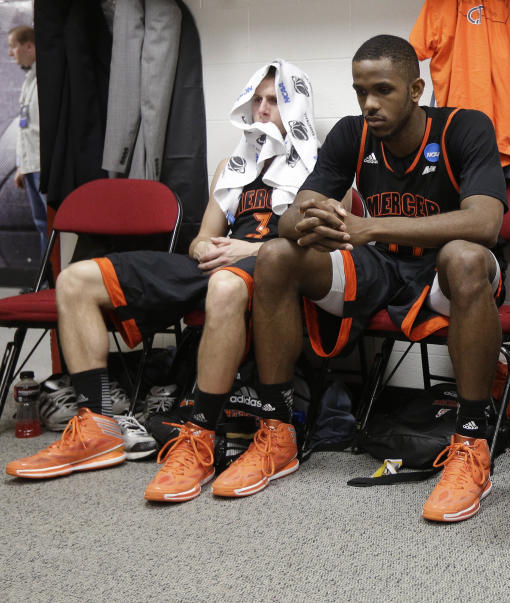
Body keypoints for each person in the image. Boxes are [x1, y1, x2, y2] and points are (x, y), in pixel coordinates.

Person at [6, 61, 321, 504]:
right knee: (76, 278)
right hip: (219, 262)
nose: (264, 109)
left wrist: (248, 251)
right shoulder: (231, 166)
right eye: (258, 99)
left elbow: (321, 245)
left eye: (276, 100)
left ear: (298, 107)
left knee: (227, 285)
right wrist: (204, 248)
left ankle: (200, 436)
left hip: (269, 270)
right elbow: (200, 238)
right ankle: (97, 426)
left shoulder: (319, 166)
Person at [251, 34, 507, 523]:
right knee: (277, 254)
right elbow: (290, 215)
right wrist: (310, 221)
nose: (369, 104)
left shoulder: (464, 127)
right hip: (381, 269)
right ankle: (277, 427)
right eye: (360, 91)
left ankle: (472, 442)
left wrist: (371, 226)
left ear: (415, 90)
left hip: (444, 279)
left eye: (383, 90)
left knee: (466, 256)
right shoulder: (352, 134)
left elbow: (485, 223)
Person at [7, 25, 47, 256]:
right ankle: (45, 283)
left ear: (29, 46)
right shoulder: (29, 80)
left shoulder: (45, 81)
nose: (11, 53)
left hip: (43, 168)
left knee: (53, 227)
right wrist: (22, 165)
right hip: (31, 167)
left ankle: (54, 285)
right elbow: (28, 129)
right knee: (42, 225)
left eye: (13, 46)